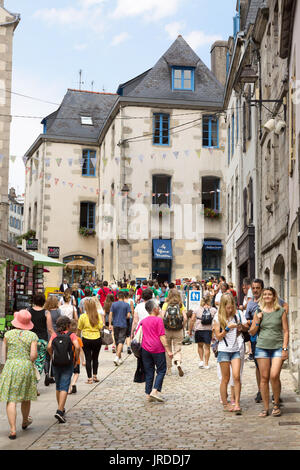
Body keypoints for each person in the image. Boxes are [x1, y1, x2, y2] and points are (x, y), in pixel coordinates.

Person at [249, 287, 289, 417]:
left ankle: (276, 404)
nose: (267, 296)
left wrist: (284, 348)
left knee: (274, 375)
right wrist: (258, 320)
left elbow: (286, 331)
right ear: (262, 297)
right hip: (262, 348)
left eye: (269, 294)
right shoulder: (258, 311)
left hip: (277, 347)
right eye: (265, 294)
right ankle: (265, 408)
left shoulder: (280, 311)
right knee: (264, 378)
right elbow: (252, 332)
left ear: (274, 296)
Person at [0, 310, 38, 439]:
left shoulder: (8, 334)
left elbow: (3, 354)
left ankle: (12, 430)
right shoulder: (32, 336)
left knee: (11, 399)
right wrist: (28, 362)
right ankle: (25, 421)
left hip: (10, 366)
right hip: (25, 366)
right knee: (26, 397)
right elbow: (33, 355)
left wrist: (6, 365)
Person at [137, 300, 173, 402]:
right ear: (154, 309)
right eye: (158, 307)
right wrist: (168, 350)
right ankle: (155, 390)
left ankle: (148, 394)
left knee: (149, 371)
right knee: (161, 370)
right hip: (157, 349)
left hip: (145, 349)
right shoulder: (158, 320)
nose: (159, 308)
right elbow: (162, 337)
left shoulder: (143, 321)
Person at [213, 293, 243, 415]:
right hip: (224, 351)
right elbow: (218, 337)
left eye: (232, 307)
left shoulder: (236, 316)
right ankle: (225, 404)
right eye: (228, 307)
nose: (230, 310)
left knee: (236, 376)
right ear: (223, 306)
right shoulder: (218, 318)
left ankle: (237, 403)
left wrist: (239, 329)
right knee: (225, 378)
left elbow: (237, 334)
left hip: (235, 350)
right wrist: (227, 328)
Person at [47, 316, 80, 423]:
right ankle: (60, 411)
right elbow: (77, 347)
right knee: (65, 386)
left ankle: (60, 407)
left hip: (56, 363)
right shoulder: (72, 335)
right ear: (68, 325)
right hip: (68, 362)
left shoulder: (54, 335)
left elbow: (49, 347)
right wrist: (76, 358)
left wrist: (52, 355)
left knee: (58, 386)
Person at [245, 278, 264, 402]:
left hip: (270, 338)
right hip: (256, 339)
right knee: (258, 366)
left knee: (271, 367)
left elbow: (284, 306)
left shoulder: (269, 299)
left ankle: (274, 392)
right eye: (254, 288)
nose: (255, 290)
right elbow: (247, 321)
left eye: (258, 288)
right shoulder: (251, 304)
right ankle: (260, 391)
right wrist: (254, 321)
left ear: (262, 288)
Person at [77, 298, 103, 384]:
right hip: (97, 338)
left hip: (86, 338)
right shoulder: (97, 315)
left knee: (88, 358)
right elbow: (100, 327)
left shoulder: (83, 316)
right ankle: (95, 375)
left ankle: (89, 378)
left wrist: (77, 337)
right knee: (95, 358)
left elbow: (79, 328)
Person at [161, 289, 187, 377]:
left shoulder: (166, 304)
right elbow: (185, 317)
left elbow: (161, 316)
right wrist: (183, 326)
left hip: (167, 329)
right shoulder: (180, 305)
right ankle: (178, 362)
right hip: (178, 330)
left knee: (167, 349)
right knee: (178, 348)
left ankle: (168, 369)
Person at [29, 293, 54, 380]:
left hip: (30, 339)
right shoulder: (46, 313)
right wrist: (55, 337)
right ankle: (36, 382)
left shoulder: (28, 311)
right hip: (42, 340)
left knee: (31, 361)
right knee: (40, 362)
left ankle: (32, 383)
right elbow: (50, 329)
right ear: (44, 301)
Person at [189, 294, 216, 369]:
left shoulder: (197, 309)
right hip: (208, 330)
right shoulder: (213, 310)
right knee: (207, 347)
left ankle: (201, 361)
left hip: (199, 329)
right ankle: (206, 364)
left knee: (200, 346)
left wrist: (190, 330)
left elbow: (192, 320)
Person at [108, 291, 131, 366]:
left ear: (117, 297)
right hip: (123, 324)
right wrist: (123, 317)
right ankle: (117, 356)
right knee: (121, 341)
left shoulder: (114, 304)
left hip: (115, 324)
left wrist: (110, 324)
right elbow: (128, 315)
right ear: (124, 297)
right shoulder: (127, 305)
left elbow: (110, 314)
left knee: (117, 341)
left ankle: (119, 358)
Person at [44, 295, 62, 386]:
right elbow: (60, 323)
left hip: (45, 335)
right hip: (55, 335)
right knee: (54, 355)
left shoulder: (45, 312)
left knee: (46, 357)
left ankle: (46, 374)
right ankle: (52, 375)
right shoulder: (58, 311)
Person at [68, 320, 83, 394]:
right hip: (76, 360)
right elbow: (81, 350)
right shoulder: (78, 339)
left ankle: (69, 388)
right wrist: (83, 360)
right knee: (76, 373)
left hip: (69, 359)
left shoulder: (67, 338)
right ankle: (73, 383)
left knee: (69, 374)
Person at [124, 290, 134, 354]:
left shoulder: (122, 301)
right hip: (129, 317)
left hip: (122, 318)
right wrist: (133, 317)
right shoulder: (131, 301)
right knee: (128, 332)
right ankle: (128, 346)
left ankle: (120, 347)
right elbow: (132, 310)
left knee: (122, 332)